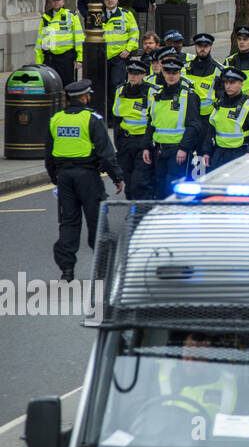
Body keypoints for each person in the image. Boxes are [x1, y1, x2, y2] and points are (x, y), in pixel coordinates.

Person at [46, 79, 123, 280]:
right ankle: (101, 269)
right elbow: (106, 154)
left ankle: (67, 270)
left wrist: (56, 178)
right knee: (97, 222)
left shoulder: (56, 119)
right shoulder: (92, 119)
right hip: (87, 176)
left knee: (68, 222)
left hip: (65, 177)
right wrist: (117, 178)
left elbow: (48, 155)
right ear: (85, 96)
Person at [143, 54, 201, 197]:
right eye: (168, 72)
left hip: (177, 151)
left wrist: (184, 148)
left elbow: (194, 125)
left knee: (174, 187)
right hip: (159, 150)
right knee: (160, 186)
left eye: (174, 73)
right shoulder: (157, 95)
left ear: (180, 74)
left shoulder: (189, 96)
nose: (171, 76)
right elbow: (151, 123)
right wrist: (146, 146)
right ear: (163, 73)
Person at [110, 58, 155, 199]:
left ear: (144, 74)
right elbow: (117, 118)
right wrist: (118, 142)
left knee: (140, 181)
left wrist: (148, 144)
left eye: (137, 73)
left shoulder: (151, 92)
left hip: (142, 142)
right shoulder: (120, 90)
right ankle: (133, 212)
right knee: (128, 182)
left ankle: (142, 212)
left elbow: (153, 120)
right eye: (130, 73)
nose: (133, 76)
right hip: (125, 142)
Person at [202, 69, 249, 169]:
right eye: (226, 83)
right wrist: (206, 151)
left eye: (232, 83)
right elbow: (211, 130)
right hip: (219, 154)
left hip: (241, 153)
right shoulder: (219, 103)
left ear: (241, 84)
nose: (228, 86)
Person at [35, 0, 84, 85]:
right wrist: (39, 63)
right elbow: (40, 42)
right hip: (50, 58)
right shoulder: (45, 18)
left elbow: (79, 38)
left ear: (63, 1)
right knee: (51, 86)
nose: (56, 2)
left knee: (68, 86)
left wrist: (80, 59)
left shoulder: (71, 16)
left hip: (66, 58)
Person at [100, 0, 139, 92]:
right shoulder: (97, 15)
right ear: (104, 0)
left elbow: (134, 33)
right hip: (101, 57)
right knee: (102, 86)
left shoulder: (126, 15)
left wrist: (128, 49)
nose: (110, 0)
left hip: (119, 57)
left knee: (117, 85)